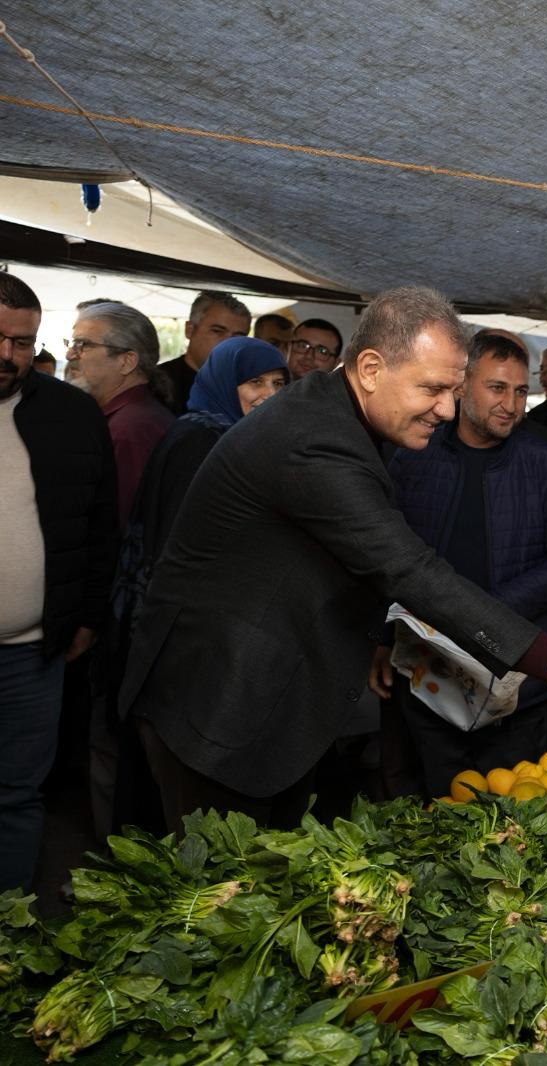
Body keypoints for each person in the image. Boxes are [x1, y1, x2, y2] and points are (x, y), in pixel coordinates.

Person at [119, 286, 547, 833]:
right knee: (221, 903)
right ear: (372, 369)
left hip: (268, 703)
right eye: (433, 389)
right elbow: (408, 568)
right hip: (222, 709)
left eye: (452, 390)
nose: (447, 410)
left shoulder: (343, 418)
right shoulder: (315, 441)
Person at [376, 330, 547, 796]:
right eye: (497, 388)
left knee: (509, 816)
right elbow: (383, 555)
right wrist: (379, 638)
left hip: (516, 681)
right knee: (434, 807)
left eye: (520, 391)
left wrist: (484, 614)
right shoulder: (415, 455)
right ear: (461, 384)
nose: (511, 405)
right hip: (428, 669)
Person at [100, 337, 290, 837]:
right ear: (225, 384)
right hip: (179, 643)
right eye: (254, 382)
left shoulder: (225, 436)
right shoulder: (202, 442)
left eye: (278, 383)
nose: (269, 394)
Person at [0, 273, 117, 892]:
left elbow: (101, 525)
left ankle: (10, 939)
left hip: (30, 656)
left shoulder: (71, 414)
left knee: (17, 795)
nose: (7, 356)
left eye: (22, 343)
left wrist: (88, 614)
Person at [68, 302, 176, 529]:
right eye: (72, 343)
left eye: (83, 344)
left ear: (126, 361)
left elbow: (118, 526)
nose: (70, 354)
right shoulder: (127, 418)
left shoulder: (132, 429)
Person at [152, 291, 250, 416]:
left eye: (237, 337)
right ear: (190, 330)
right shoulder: (158, 383)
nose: (228, 343)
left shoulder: (247, 388)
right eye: (217, 331)